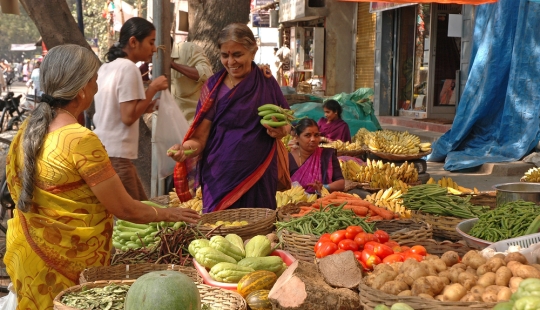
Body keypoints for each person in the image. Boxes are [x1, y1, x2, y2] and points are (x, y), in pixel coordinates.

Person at [3, 44, 200, 310]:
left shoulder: (25, 131)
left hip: (30, 257)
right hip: (68, 268)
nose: (96, 89)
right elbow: (124, 208)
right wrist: (170, 214)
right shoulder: (80, 140)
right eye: (95, 81)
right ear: (82, 88)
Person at [168, 23, 290, 213]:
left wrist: (281, 131)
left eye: (237, 54)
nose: (231, 62)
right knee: (218, 235)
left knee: (260, 234)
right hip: (220, 177)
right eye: (225, 55)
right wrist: (184, 150)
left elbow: (287, 122)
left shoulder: (266, 82)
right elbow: (200, 139)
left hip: (259, 174)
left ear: (253, 51)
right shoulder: (212, 87)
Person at [93, 17, 168, 201]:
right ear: (133, 42)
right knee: (139, 217)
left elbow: (121, 111)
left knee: (140, 208)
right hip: (116, 155)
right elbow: (127, 117)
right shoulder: (128, 69)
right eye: (151, 42)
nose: (154, 48)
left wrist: (149, 105)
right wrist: (153, 88)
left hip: (104, 151)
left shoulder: (107, 68)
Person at [289, 118, 345, 193]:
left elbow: (341, 183)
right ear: (297, 138)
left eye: (316, 135)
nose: (313, 139)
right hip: (291, 202)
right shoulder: (287, 158)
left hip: (322, 202)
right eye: (307, 135)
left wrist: (324, 187)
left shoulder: (327, 155)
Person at [170, 41, 213, 122]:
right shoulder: (157, 63)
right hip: (175, 124)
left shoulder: (189, 49)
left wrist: (173, 65)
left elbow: (207, 74)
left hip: (196, 123)